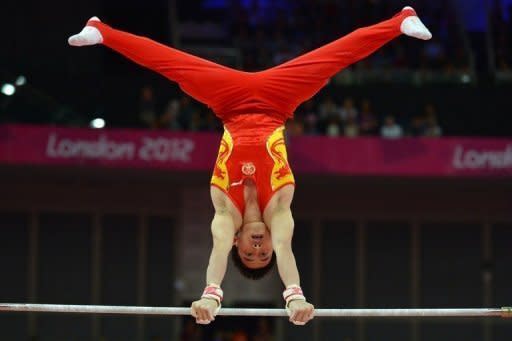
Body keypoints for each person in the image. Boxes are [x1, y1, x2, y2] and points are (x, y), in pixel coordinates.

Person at [68, 6, 432, 325]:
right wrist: (296, 296)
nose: (258, 247)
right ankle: (401, 20)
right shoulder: (280, 212)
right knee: (333, 58)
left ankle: (102, 32)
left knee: (171, 64)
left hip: (228, 102)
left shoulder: (225, 212)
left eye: (248, 253)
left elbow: (215, 253)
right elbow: (287, 252)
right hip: (278, 101)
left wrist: (211, 295)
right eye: (263, 253)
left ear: (237, 243)